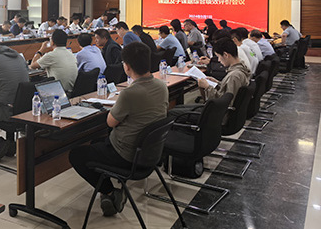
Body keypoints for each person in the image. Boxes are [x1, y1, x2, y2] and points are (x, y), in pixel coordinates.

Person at [69, 41, 168, 217]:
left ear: (127, 66)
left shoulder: (130, 93)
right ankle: (106, 191)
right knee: (96, 141)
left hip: (126, 155)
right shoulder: (161, 86)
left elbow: (110, 122)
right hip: (150, 153)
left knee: (76, 154)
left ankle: (109, 192)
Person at [169, 37, 250, 117]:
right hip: (220, 112)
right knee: (178, 108)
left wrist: (207, 87)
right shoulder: (240, 69)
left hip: (217, 115)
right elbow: (227, 91)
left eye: (219, 56)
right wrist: (218, 83)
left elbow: (225, 102)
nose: (219, 60)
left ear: (225, 55)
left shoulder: (234, 76)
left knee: (172, 112)